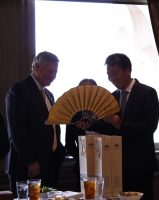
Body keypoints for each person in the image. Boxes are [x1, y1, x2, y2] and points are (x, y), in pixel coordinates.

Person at [5, 51, 66, 195]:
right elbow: (17, 129)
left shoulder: (49, 94)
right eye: (50, 71)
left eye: (55, 72)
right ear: (36, 67)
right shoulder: (19, 89)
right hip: (27, 167)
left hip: (49, 165)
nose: (53, 76)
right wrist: (30, 161)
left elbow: (52, 126)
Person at [103, 53, 159, 200]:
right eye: (109, 75)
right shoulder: (113, 96)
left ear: (127, 71)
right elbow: (109, 128)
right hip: (116, 163)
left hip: (140, 161)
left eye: (115, 74)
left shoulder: (147, 93)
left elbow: (150, 127)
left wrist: (121, 124)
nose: (112, 79)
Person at [65, 78, 98, 192]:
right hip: (82, 167)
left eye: (91, 90)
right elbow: (69, 144)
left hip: (107, 163)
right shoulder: (73, 115)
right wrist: (83, 158)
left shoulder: (105, 112)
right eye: (83, 90)